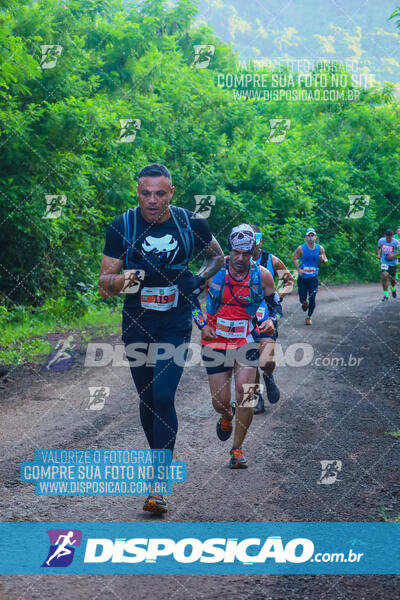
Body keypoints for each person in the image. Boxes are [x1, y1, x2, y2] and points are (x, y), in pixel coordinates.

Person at [98, 163, 224, 513]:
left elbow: (217, 257)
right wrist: (134, 278)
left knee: (165, 393)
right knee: (149, 398)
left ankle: (158, 483)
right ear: (137, 192)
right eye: (145, 193)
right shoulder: (123, 225)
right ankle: (158, 463)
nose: (152, 200)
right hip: (138, 322)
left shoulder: (190, 223)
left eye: (160, 193)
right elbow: (104, 285)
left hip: (176, 321)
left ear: (172, 192)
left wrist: (197, 279)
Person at [193, 224, 278, 469]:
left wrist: (272, 320)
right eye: (236, 253)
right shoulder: (213, 270)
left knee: (247, 394)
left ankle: (237, 449)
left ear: (254, 250)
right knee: (219, 402)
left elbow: (275, 305)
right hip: (215, 339)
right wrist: (201, 324)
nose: (240, 259)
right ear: (229, 250)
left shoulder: (262, 274)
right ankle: (226, 415)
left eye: (246, 253)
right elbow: (188, 295)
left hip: (246, 339)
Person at [250, 225, 295, 414]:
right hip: (244, 318)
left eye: (255, 238)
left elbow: (289, 281)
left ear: (260, 240)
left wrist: (278, 296)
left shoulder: (272, 261)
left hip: (268, 315)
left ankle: (268, 376)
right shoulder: (235, 262)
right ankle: (256, 396)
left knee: (265, 360)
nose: (251, 243)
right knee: (249, 360)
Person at [292, 228, 328, 325]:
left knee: (312, 298)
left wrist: (323, 260)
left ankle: (309, 317)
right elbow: (294, 258)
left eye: (313, 236)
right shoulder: (301, 248)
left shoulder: (320, 248)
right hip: (303, 277)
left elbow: (325, 260)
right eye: (309, 236)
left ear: (315, 237)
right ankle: (304, 302)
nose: (311, 238)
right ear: (306, 238)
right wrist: (299, 269)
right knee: (302, 298)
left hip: (313, 278)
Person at [377, 229, 400, 301]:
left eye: (389, 238)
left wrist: (393, 255)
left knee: (392, 279)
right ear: (385, 236)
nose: (388, 239)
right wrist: (378, 254)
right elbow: (378, 247)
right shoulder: (381, 240)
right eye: (387, 238)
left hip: (393, 262)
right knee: (384, 276)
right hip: (384, 261)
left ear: (392, 237)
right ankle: (386, 295)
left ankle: (393, 289)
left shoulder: (396, 242)